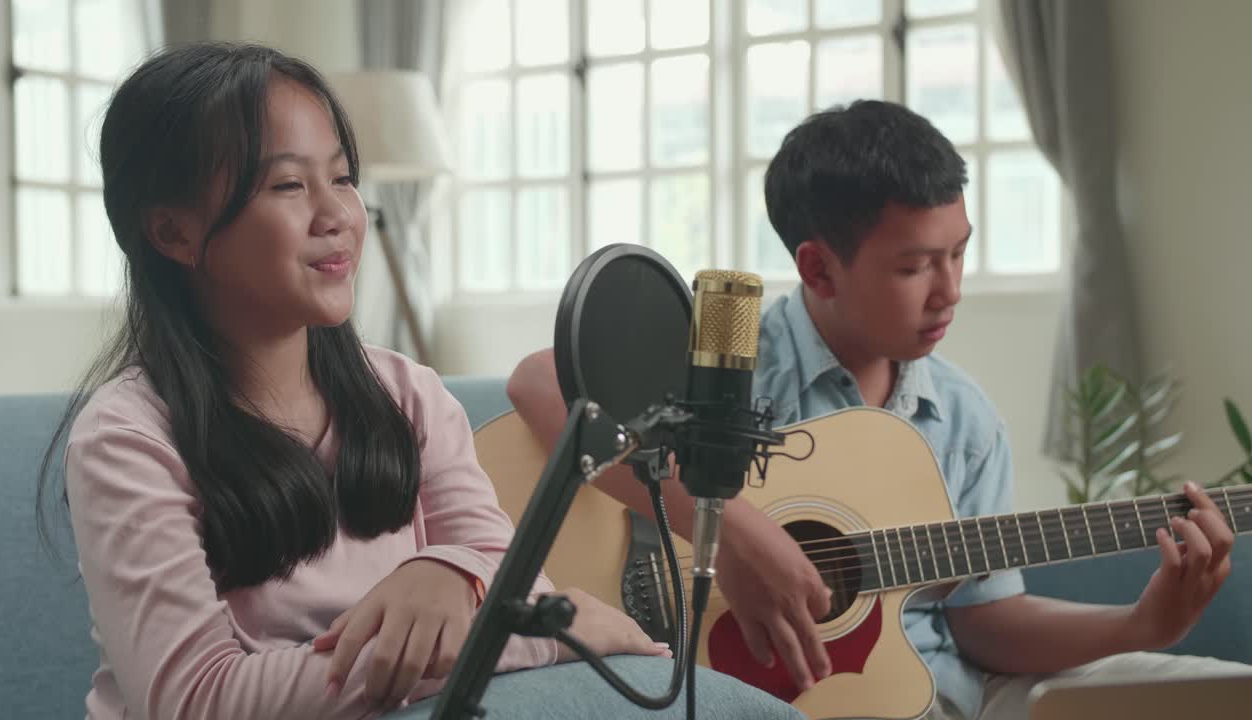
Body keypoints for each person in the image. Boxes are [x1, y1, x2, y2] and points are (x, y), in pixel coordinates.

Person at [39, 42, 804, 720]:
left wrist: (446, 572)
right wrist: (536, 634)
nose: (337, 214)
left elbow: (508, 578)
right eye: (288, 186)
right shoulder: (128, 437)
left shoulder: (406, 394)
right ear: (173, 232)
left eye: (342, 178)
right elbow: (197, 700)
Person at [506, 100, 1245, 719]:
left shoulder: (964, 419)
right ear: (818, 268)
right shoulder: (726, 358)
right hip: (736, 689)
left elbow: (983, 623)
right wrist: (728, 529)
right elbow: (540, 382)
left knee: (1212, 694)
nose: (950, 290)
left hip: (929, 689)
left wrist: (1141, 625)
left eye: (958, 254)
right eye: (914, 266)